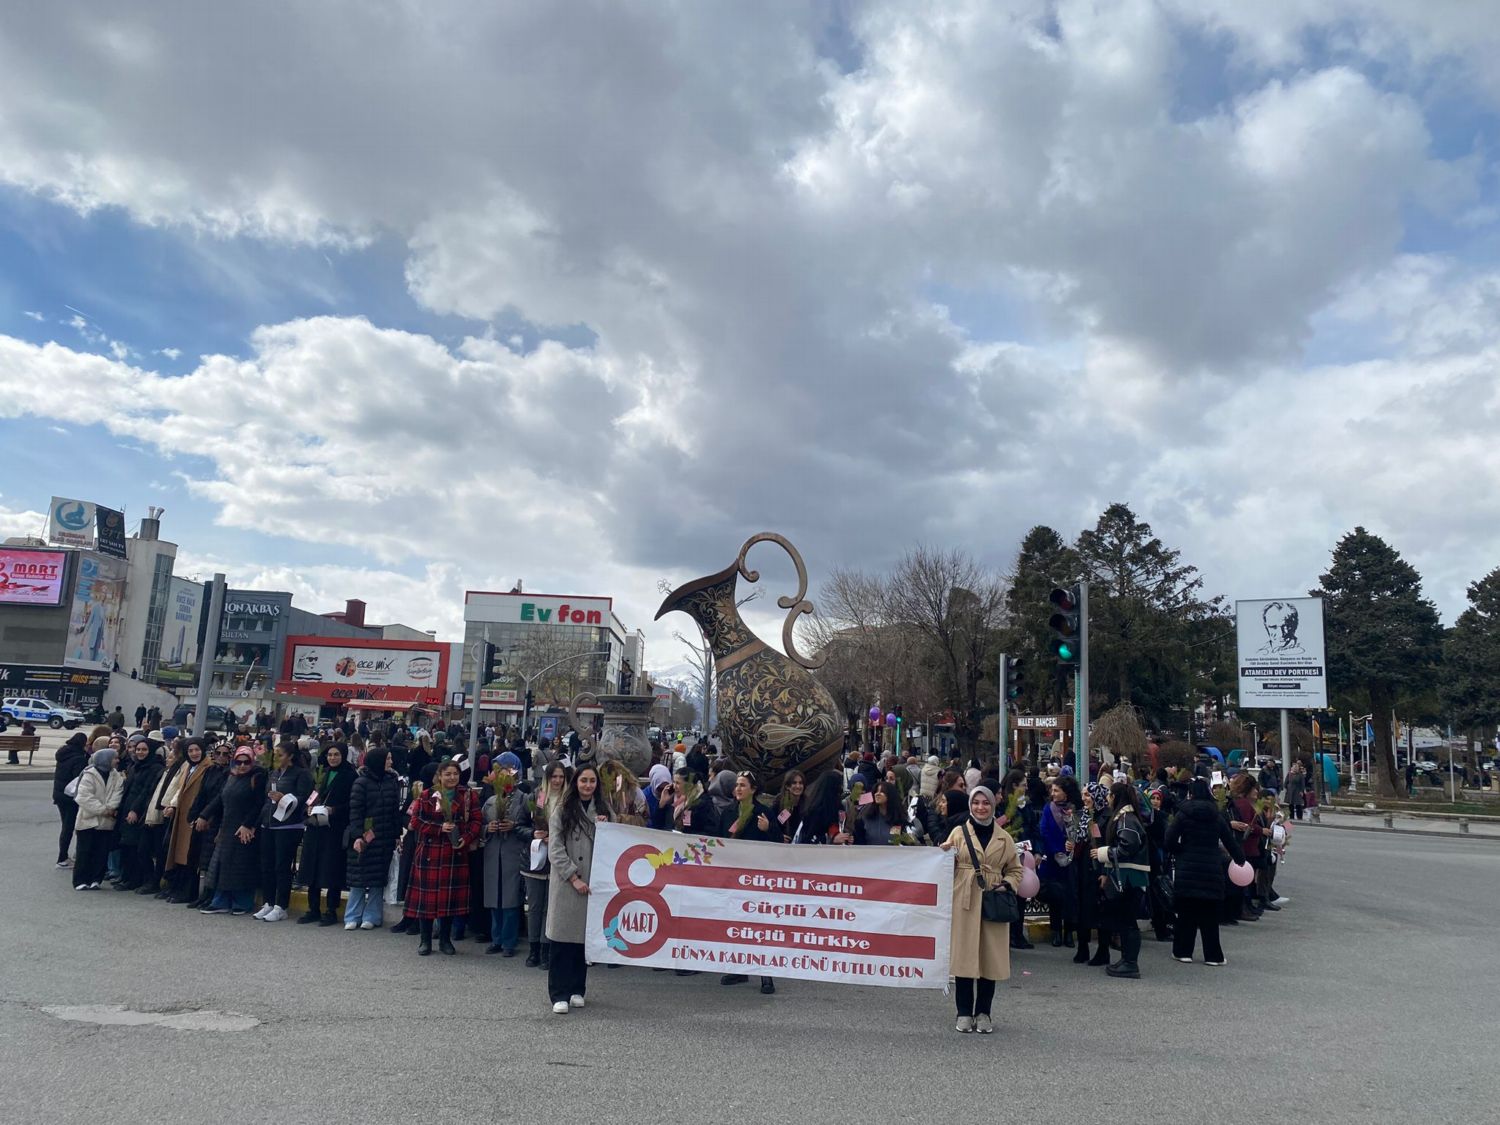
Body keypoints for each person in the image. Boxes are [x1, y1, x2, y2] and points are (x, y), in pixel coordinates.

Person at [941, 786, 1024, 1033]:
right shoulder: (958, 833)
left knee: (991, 959)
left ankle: (984, 1012)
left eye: (985, 802)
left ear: (992, 805)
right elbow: (945, 867)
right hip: (964, 900)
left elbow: (1016, 869)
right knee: (964, 957)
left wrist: (1007, 885)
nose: (980, 807)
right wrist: (945, 855)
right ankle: (964, 1012)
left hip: (993, 901)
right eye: (976, 802)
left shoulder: (1004, 837)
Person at [546, 765, 613, 1013]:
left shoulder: (604, 811)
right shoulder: (562, 810)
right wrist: (573, 876)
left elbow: (614, 841)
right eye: (583, 780)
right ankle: (558, 993)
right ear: (575, 783)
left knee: (582, 942)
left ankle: (577, 988)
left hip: (592, 884)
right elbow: (555, 848)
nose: (587, 785)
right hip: (567, 884)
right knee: (562, 941)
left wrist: (607, 825)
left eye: (592, 781)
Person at [407, 759, 483, 955]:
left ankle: (445, 940)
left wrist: (466, 838)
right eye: (447, 774)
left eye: (455, 774)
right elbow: (415, 821)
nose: (452, 778)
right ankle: (425, 941)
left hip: (454, 852)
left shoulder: (468, 796)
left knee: (449, 899)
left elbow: (476, 821)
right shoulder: (426, 795)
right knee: (427, 899)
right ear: (439, 776)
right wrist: (439, 828)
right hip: (429, 853)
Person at [1166, 778, 1246, 966]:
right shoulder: (1217, 816)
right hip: (1212, 870)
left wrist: (1181, 852)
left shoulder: (1183, 814)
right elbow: (1229, 842)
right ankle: (1213, 956)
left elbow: (1169, 839)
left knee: (1186, 915)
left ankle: (1183, 952)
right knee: (1210, 918)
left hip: (1187, 870)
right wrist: (1240, 859)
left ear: (1191, 793)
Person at [719, 771, 778, 994]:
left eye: (743, 785)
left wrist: (768, 829)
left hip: (758, 877)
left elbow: (776, 845)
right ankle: (738, 969)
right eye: (736, 786)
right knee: (737, 923)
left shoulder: (763, 813)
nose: (738, 789)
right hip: (734, 875)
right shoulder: (729, 812)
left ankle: (766, 974)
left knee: (760, 925)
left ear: (753, 789)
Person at [198, 747, 267, 915]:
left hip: (245, 829)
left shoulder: (257, 778)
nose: (242, 766)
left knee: (241, 867)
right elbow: (219, 800)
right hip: (228, 827)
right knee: (222, 865)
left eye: (246, 762)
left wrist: (248, 824)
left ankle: (242, 902)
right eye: (239, 762)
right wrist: (204, 815)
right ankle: (220, 901)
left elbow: (259, 804)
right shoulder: (231, 777)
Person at [1093, 782, 1150, 979]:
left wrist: (1104, 853)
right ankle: (1126, 959)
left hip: (1128, 877)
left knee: (1128, 921)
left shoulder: (1126, 819)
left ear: (1116, 797)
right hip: (1125, 876)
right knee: (1125, 920)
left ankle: (1130, 962)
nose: (1108, 798)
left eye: (1110, 794)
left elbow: (1128, 847)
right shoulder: (1127, 818)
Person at [344, 748, 401, 930]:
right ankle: (352, 915)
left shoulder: (392, 782)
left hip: (384, 836)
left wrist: (397, 834)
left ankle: (372, 916)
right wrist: (358, 835)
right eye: (388, 759)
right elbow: (355, 811)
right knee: (359, 877)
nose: (391, 762)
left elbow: (394, 811)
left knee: (378, 877)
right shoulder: (360, 783)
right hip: (364, 836)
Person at [300, 744, 356, 925]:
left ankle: (331, 910)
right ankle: (313, 908)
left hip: (334, 829)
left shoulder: (350, 775)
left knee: (331, 870)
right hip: (316, 827)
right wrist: (309, 807)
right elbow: (313, 794)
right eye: (330, 755)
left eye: (336, 754)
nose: (332, 758)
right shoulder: (322, 773)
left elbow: (352, 803)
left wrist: (334, 810)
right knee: (312, 868)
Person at [257, 743, 314, 922]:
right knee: (267, 865)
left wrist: (284, 798)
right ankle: (269, 902)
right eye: (275, 755)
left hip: (288, 825)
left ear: (290, 756)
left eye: (280, 755)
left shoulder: (301, 774)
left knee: (282, 866)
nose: (277, 758)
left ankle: (281, 905)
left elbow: (304, 798)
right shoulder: (274, 773)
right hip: (269, 823)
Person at [482, 751, 530, 956]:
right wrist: (488, 828)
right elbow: (480, 825)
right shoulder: (491, 800)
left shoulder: (524, 799)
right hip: (493, 852)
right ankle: (496, 938)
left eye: (502, 769)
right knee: (494, 897)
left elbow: (533, 828)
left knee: (510, 898)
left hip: (513, 852)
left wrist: (515, 826)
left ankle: (509, 941)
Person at [522, 760, 569, 967]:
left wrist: (558, 838)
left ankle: (545, 948)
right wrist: (534, 834)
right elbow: (520, 825)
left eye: (561, 777)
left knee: (550, 907)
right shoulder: (538, 797)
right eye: (554, 777)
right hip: (536, 857)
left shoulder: (569, 799)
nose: (558, 781)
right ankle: (533, 949)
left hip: (558, 859)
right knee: (534, 906)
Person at [163, 740, 210, 903]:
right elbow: (179, 789)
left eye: (197, 750)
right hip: (182, 814)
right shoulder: (187, 766)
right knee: (179, 853)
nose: (194, 753)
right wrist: (172, 805)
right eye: (190, 751)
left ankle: (187, 892)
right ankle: (176, 888)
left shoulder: (207, 767)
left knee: (189, 855)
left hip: (195, 815)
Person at [116, 738, 165, 892]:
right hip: (126, 809)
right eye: (138, 750)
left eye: (144, 750)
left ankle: (145, 880)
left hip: (141, 813)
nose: (140, 752)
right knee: (127, 847)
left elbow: (146, 791)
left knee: (141, 849)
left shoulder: (154, 768)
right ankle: (129, 878)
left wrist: (135, 810)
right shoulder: (135, 766)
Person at [73, 747, 125, 889]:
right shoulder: (89, 774)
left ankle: (96, 879)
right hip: (88, 819)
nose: (117, 760)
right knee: (84, 851)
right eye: (114, 758)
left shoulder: (116, 776)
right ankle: (80, 880)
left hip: (106, 821)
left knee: (101, 852)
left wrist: (111, 807)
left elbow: (117, 794)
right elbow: (84, 796)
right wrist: (103, 810)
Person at [1038, 777, 1080, 947]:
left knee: (1070, 895)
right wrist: (1056, 851)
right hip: (1053, 858)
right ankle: (1056, 931)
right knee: (1055, 896)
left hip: (1071, 859)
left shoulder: (1075, 809)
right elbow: (1044, 831)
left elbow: (1080, 832)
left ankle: (1069, 932)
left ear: (1066, 792)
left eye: (1056, 790)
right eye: (1052, 791)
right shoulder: (1049, 809)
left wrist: (1071, 848)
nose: (1053, 794)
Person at [52, 732, 90, 868]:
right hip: (70, 797)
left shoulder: (63, 754)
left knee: (65, 826)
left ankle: (63, 856)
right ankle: (62, 858)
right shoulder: (79, 758)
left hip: (59, 794)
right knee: (69, 827)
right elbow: (78, 778)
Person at [790, 772, 852, 844]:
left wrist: (847, 839)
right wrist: (830, 839)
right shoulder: (815, 811)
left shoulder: (839, 809)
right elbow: (808, 839)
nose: (841, 789)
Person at [854, 780, 903, 844]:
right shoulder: (866, 817)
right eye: (876, 791)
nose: (877, 794)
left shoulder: (898, 819)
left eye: (882, 792)